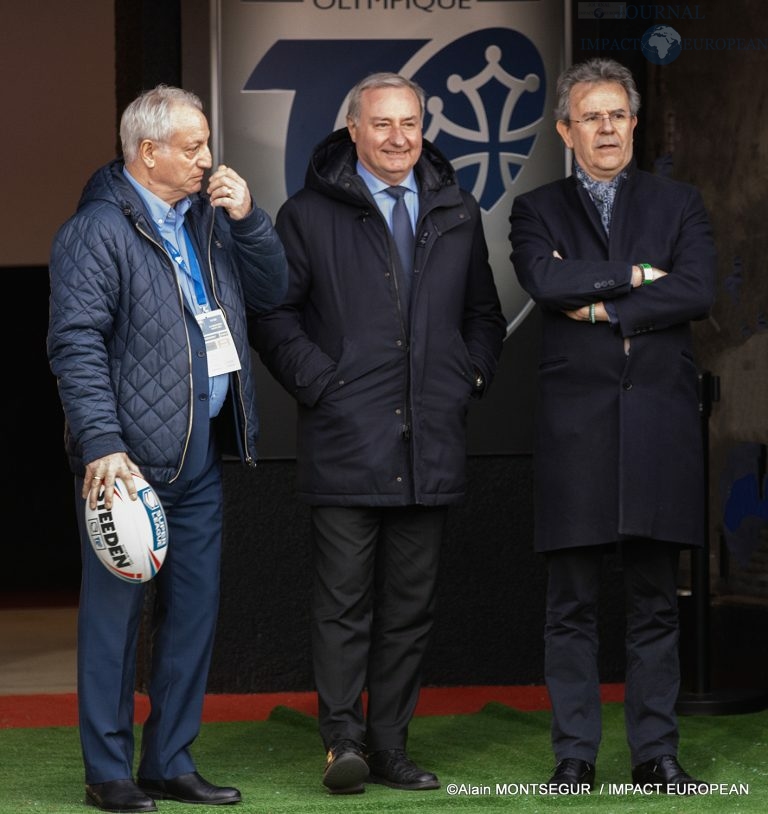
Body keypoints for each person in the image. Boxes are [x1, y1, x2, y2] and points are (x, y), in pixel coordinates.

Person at [250, 72, 506, 794]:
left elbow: (484, 316)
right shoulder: (306, 214)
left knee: (410, 608)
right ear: (353, 131)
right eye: (382, 124)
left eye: (410, 123)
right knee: (343, 604)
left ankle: (390, 748)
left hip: (431, 440)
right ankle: (343, 743)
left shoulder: (458, 208)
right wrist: (320, 383)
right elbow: (274, 315)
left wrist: (470, 375)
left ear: (423, 128)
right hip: (344, 440)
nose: (398, 137)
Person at [47, 85, 288, 813]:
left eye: (207, 144)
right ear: (147, 152)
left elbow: (274, 291)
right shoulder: (97, 230)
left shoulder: (210, 219)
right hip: (125, 468)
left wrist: (250, 220)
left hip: (199, 461)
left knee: (194, 616)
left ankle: (170, 760)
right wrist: (101, 444)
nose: (207, 159)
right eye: (193, 147)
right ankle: (108, 772)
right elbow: (75, 343)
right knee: (114, 625)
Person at [508, 58, 716, 794]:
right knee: (571, 606)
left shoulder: (680, 201)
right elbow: (544, 279)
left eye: (617, 115)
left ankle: (657, 756)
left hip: (658, 427)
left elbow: (698, 288)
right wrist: (638, 275)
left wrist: (598, 300)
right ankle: (576, 757)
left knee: (658, 604)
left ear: (633, 123)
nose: (606, 128)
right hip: (577, 433)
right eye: (590, 116)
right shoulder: (535, 209)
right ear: (567, 131)